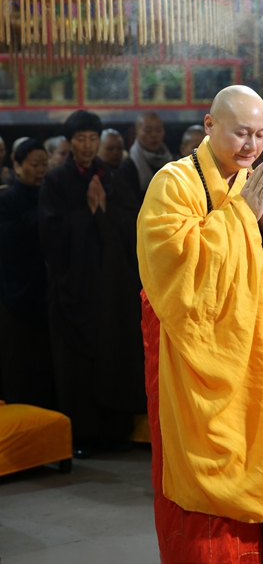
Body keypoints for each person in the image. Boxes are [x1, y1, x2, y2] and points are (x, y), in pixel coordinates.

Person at [137, 86, 263, 563]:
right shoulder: (175, 183)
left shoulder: (261, 180)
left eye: (262, 134)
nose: (252, 145)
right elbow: (170, 266)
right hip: (201, 366)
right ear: (209, 125)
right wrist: (244, 217)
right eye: (242, 132)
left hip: (259, 359)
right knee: (210, 513)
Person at [39, 110, 146, 456]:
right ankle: (83, 435)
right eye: (80, 139)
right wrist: (88, 213)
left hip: (112, 287)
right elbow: (51, 234)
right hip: (76, 287)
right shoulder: (56, 180)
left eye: (91, 139)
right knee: (79, 363)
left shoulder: (112, 176)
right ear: (69, 142)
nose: (87, 146)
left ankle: (116, 430)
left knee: (114, 350)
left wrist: (104, 211)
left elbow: (134, 222)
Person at [0, 139, 57, 409]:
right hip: (17, 295)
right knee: (20, 366)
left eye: (44, 164)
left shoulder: (53, 194)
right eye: (34, 164)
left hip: (50, 294)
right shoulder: (6, 199)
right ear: (17, 165)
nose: (40, 170)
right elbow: (9, 241)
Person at [121, 111, 172, 202]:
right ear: (136, 134)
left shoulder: (172, 162)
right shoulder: (128, 167)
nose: (154, 135)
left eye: (158, 130)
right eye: (148, 131)